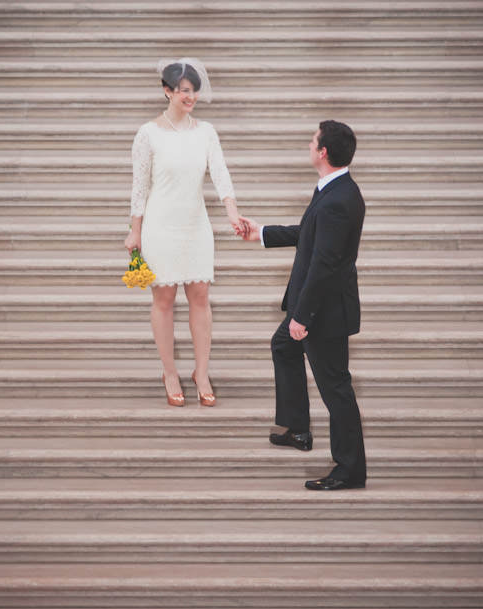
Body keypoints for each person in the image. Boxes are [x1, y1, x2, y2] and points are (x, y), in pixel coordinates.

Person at [239, 120, 367, 490]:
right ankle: (297, 427)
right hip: (314, 306)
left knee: (336, 390)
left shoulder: (339, 200)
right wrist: (260, 233)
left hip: (322, 313)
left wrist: (302, 316)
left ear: (323, 151)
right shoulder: (333, 189)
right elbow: (307, 234)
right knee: (283, 346)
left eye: (313, 140)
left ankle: (349, 470)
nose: (310, 144)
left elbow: (325, 265)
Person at [124, 58, 247, 408]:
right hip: (160, 227)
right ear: (167, 91)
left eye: (193, 91)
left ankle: (202, 371)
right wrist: (135, 232)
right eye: (183, 91)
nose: (189, 97)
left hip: (196, 227)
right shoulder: (148, 134)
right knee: (163, 301)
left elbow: (220, 173)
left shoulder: (206, 132)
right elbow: (139, 187)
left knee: (201, 298)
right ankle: (169, 372)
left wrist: (232, 211)